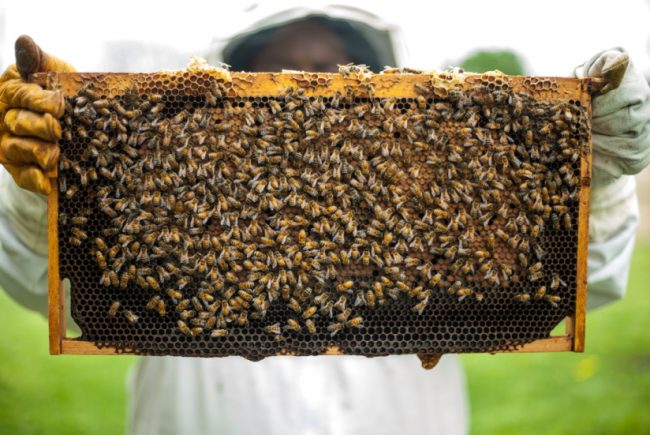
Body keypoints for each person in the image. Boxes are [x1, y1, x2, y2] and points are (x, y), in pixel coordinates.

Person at [1, 5, 649, 435]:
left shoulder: (429, 212)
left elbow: (579, 278)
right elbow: (44, 281)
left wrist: (602, 173)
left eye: (331, 73)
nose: (308, 91)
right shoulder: (157, 198)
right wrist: (52, 191)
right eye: (280, 73)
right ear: (232, 87)